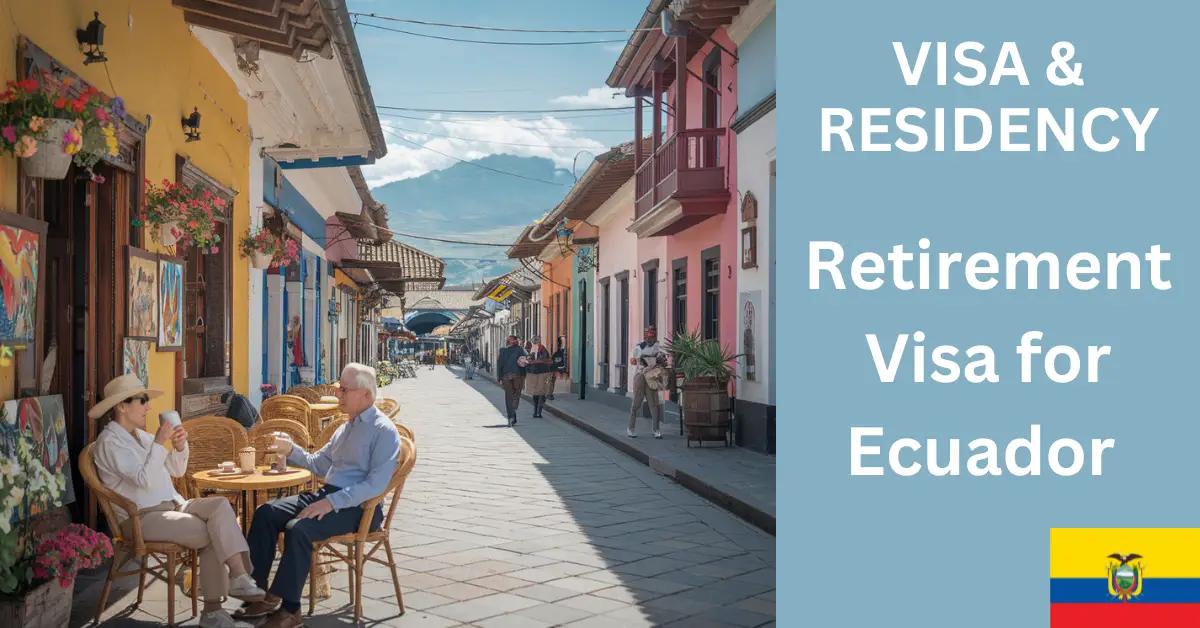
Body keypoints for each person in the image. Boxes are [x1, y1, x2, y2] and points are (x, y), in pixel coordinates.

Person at [89, 374, 264, 628]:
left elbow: (176, 470)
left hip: (172, 504)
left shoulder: (141, 436)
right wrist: (160, 442)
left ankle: (238, 576)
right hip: (141, 517)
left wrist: (180, 447)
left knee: (220, 506)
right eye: (143, 401)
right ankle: (214, 609)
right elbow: (143, 480)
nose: (149, 407)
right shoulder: (110, 443)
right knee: (212, 530)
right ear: (122, 406)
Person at [237, 363, 403, 627]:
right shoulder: (345, 428)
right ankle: (257, 593)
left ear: (366, 395)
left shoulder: (384, 431)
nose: (338, 394)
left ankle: (290, 609)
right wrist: (290, 449)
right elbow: (319, 464)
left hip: (360, 508)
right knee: (266, 513)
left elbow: (375, 485)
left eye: (344, 389)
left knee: (298, 529)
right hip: (328, 495)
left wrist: (331, 502)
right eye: (339, 388)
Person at [628, 326, 666, 439]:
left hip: (652, 377)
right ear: (645, 336)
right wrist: (635, 360)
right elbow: (633, 361)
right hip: (640, 376)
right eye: (648, 336)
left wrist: (660, 360)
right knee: (636, 403)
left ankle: (656, 430)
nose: (650, 339)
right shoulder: (639, 347)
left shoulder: (658, 347)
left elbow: (663, 361)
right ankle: (630, 428)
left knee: (654, 404)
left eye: (652, 336)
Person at [497, 335, 527, 426]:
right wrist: (524, 375)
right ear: (515, 341)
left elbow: (499, 364)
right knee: (516, 394)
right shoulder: (520, 349)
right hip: (517, 375)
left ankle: (511, 416)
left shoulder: (502, 351)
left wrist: (499, 377)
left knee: (508, 396)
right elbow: (524, 362)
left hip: (506, 376)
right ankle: (513, 411)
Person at [524, 336, 554, 418]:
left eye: (536, 341)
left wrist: (533, 362)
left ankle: (538, 412)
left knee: (541, 394)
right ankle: (536, 411)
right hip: (534, 374)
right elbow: (528, 362)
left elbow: (545, 360)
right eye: (534, 342)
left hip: (544, 374)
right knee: (536, 394)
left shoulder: (543, 350)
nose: (535, 343)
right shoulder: (532, 351)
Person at [550, 336, 567, 401]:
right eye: (563, 341)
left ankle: (549, 393)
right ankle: (549, 394)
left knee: (552, 381)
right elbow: (555, 360)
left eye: (564, 341)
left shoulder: (562, 350)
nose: (564, 342)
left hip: (556, 367)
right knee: (551, 380)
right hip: (553, 368)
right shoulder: (556, 350)